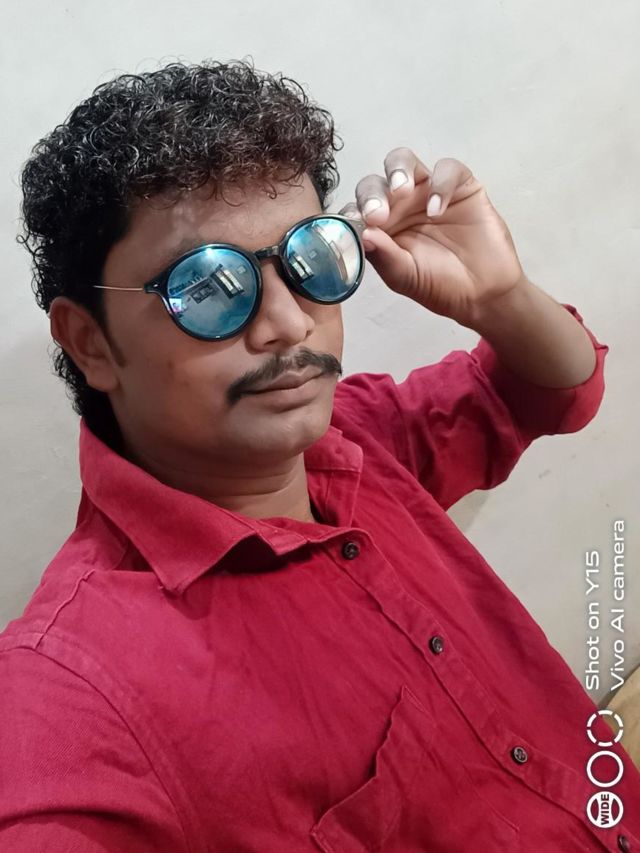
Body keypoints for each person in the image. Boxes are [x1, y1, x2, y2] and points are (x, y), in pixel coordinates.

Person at [0, 58, 636, 852]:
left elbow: (555, 390)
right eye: (207, 287)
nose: (289, 323)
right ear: (90, 341)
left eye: (308, 257)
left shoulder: (357, 438)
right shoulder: (76, 688)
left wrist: (500, 298)